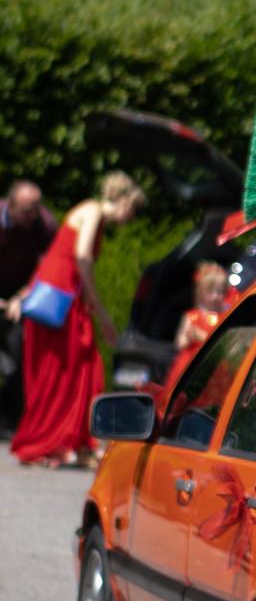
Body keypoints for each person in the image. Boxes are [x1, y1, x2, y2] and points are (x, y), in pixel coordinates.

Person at [5, 172, 144, 467]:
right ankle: (55, 442)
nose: (131, 217)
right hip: (61, 298)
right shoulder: (93, 210)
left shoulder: (93, 215)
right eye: (133, 209)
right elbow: (81, 256)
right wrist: (101, 309)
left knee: (77, 368)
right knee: (63, 370)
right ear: (124, 200)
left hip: (65, 297)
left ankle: (74, 442)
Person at [0, 181, 58, 438]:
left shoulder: (44, 225)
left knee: (17, 359)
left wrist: (21, 298)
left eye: (35, 209)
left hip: (19, 296)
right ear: (9, 206)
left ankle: (10, 420)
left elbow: (46, 268)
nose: (32, 217)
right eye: (26, 211)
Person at [164, 262, 229, 390]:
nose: (216, 296)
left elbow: (223, 343)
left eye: (220, 292)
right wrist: (189, 338)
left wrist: (201, 336)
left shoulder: (224, 316)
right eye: (211, 292)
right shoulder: (192, 316)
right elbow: (179, 343)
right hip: (189, 366)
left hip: (214, 368)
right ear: (201, 292)